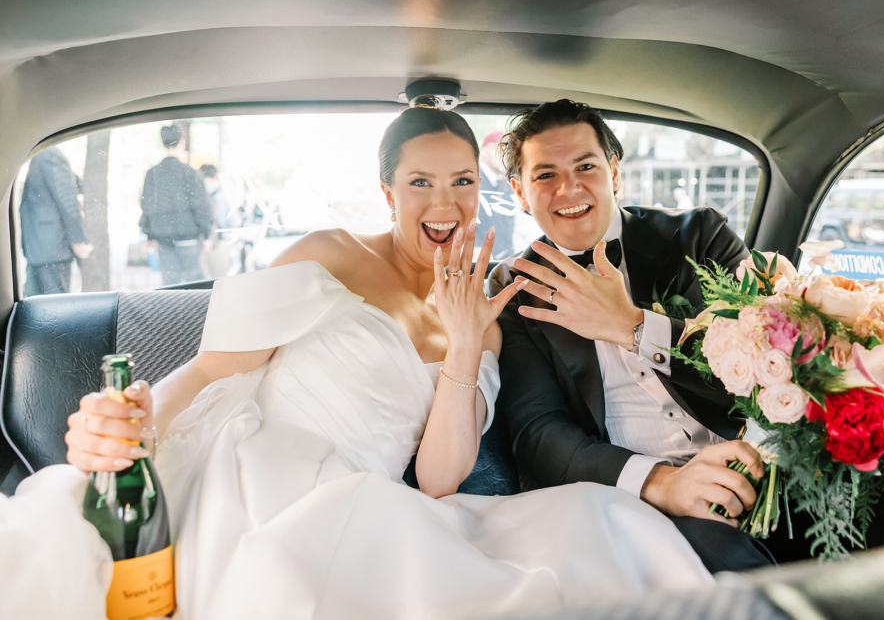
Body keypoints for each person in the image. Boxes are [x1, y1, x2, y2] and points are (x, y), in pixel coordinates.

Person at [63, 107, 712, 618]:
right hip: (254, 475)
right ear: (386, 190)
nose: (443, 205)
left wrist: (463, 342)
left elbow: (437, 478)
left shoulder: (483, 317)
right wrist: (139, 417)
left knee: (597, 528)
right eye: (419, 183)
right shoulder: (330, 253)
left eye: (462, 182)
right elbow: (211, 369)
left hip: (376, 507)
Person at [487, 99, 884, 573]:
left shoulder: (698, 236)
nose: (569, 189)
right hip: (655, 499)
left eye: (586, 167)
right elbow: (539, 434)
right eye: (546, 175)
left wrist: (632, 325)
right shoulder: (514, 289)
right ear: (519, 190)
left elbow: (773, 351)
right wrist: (662, 483)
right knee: (718, 560)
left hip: (774, 457)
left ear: (614, 172)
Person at [139, 125, 215, 286]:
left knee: (170, 284)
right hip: (189, 237)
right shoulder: (190, 173)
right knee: (195, 283)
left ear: (163, 142)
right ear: (181, 141)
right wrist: (207, 235)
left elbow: (147, 206)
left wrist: (148, 235)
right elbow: (201, 205)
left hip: (164, 238)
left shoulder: (152, 173)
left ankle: (172, 312)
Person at [19, 148, 93, 296]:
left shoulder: (48, 154)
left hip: (51, 247)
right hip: (41, 248)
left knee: (55, 308)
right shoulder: (42, 155)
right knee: (33, 306)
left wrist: (77, 239)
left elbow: (66, 198)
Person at [474, 131, 518, 259]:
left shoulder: (507, 183)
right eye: (498, 148)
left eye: (508, 151)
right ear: (484, 149)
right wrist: (475, 247)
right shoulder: (472, 180)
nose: (504, 155)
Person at [198, 164, 241, 278]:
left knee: (202, 285)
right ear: (215, 176)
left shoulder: (194, 195)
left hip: (200, 245)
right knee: (220, 282)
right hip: (220, 243)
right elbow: (235, 222)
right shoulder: (224, 194)